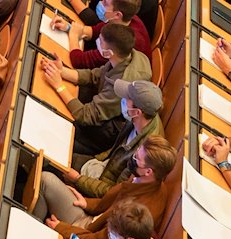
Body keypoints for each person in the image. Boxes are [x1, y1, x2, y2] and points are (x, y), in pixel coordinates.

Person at [42, 136, 176, 239]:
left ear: (148, 171)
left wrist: (62, 229)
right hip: (92, 221)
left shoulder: (141, 212)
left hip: (87, 238)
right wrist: (87, 204)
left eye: (137, 158)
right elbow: (108, 202)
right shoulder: (141, 177)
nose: (133, 158)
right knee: (45, 180)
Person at [42, 25, 153, 155]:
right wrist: (62, 72)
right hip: (101, 108)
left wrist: (59, 86)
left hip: (103, 131)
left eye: (100, 41)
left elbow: (86, 116)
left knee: (53, 128)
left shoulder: (120, 86)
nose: (97, 43)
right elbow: (97, 75)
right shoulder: (132, 55)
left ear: (108, 53)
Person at [64, 79, 164, 199]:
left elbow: (113, 193)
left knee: (54, 164)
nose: (122, 100)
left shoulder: (142, 155)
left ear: (137, 112)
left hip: (101, 184)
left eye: (127, 99)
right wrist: (96, 159)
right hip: (104, 165)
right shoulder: (145, 117)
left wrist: (77, 179)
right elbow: (115, 152)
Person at [50, 0, 152, 70]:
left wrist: (73, 36)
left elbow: (79, 61)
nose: (101, 3)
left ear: (117, 14)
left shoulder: (120, 42)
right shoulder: (124, 19)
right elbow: (95, 31)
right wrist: (69, 27)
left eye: (105, 3)